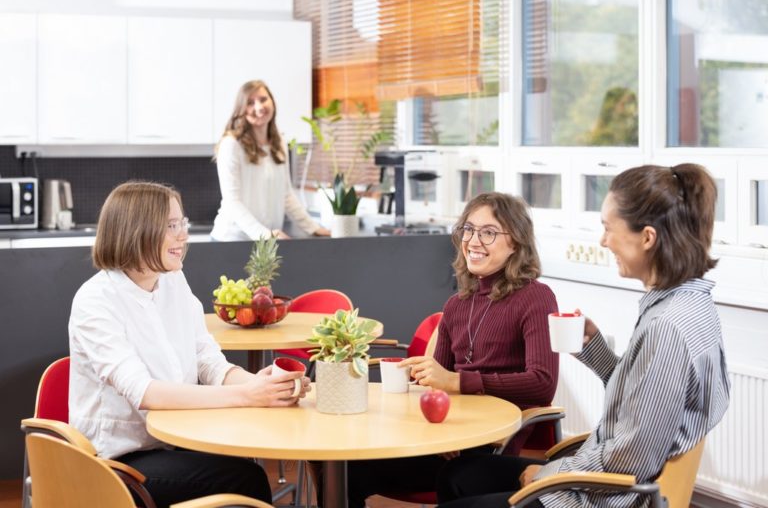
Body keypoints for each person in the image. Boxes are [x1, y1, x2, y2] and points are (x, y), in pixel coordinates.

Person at [436, 163, 731, 508]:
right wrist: (596, 350)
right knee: (458, 476)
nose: (603, 241)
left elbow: (634, 458)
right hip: (599, 476)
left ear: (647, 238)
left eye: (608, 228)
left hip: (600, 495)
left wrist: (553, 473)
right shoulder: (688, 305)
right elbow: (641, 402)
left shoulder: (668, 326)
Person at [69, 181, 312, 508]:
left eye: (182, 223)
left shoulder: (172, 281)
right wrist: (246, 395)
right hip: (120, 461)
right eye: (171, 226)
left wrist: (263, 384)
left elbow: (208, 362)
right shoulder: (96, 301)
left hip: (173, 440)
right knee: (245, 479)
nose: (183, 234)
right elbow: (145, 393)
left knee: (246, 462)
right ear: (136, 230)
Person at [344, 192, 559, 507]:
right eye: (468, 230)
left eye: (488, 232)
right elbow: (435, 384)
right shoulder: (456, 305)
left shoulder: (536, 297)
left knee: (447, 473)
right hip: (442, 437)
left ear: (515, 242)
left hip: (488, 441)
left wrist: (459, 381)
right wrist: (430, 396)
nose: (473, 240)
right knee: (348, 467)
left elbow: (542, 383)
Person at [211, 79, 330, 240]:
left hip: (267, 244)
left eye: (263, 99)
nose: (259, 107)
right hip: (233, 240)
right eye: (250, 103)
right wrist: (265, 234)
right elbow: (233, 202)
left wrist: (313, 228)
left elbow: (286, 196)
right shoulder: (231, 144)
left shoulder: (279, 142)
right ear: (241, 109)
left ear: (272, 102)